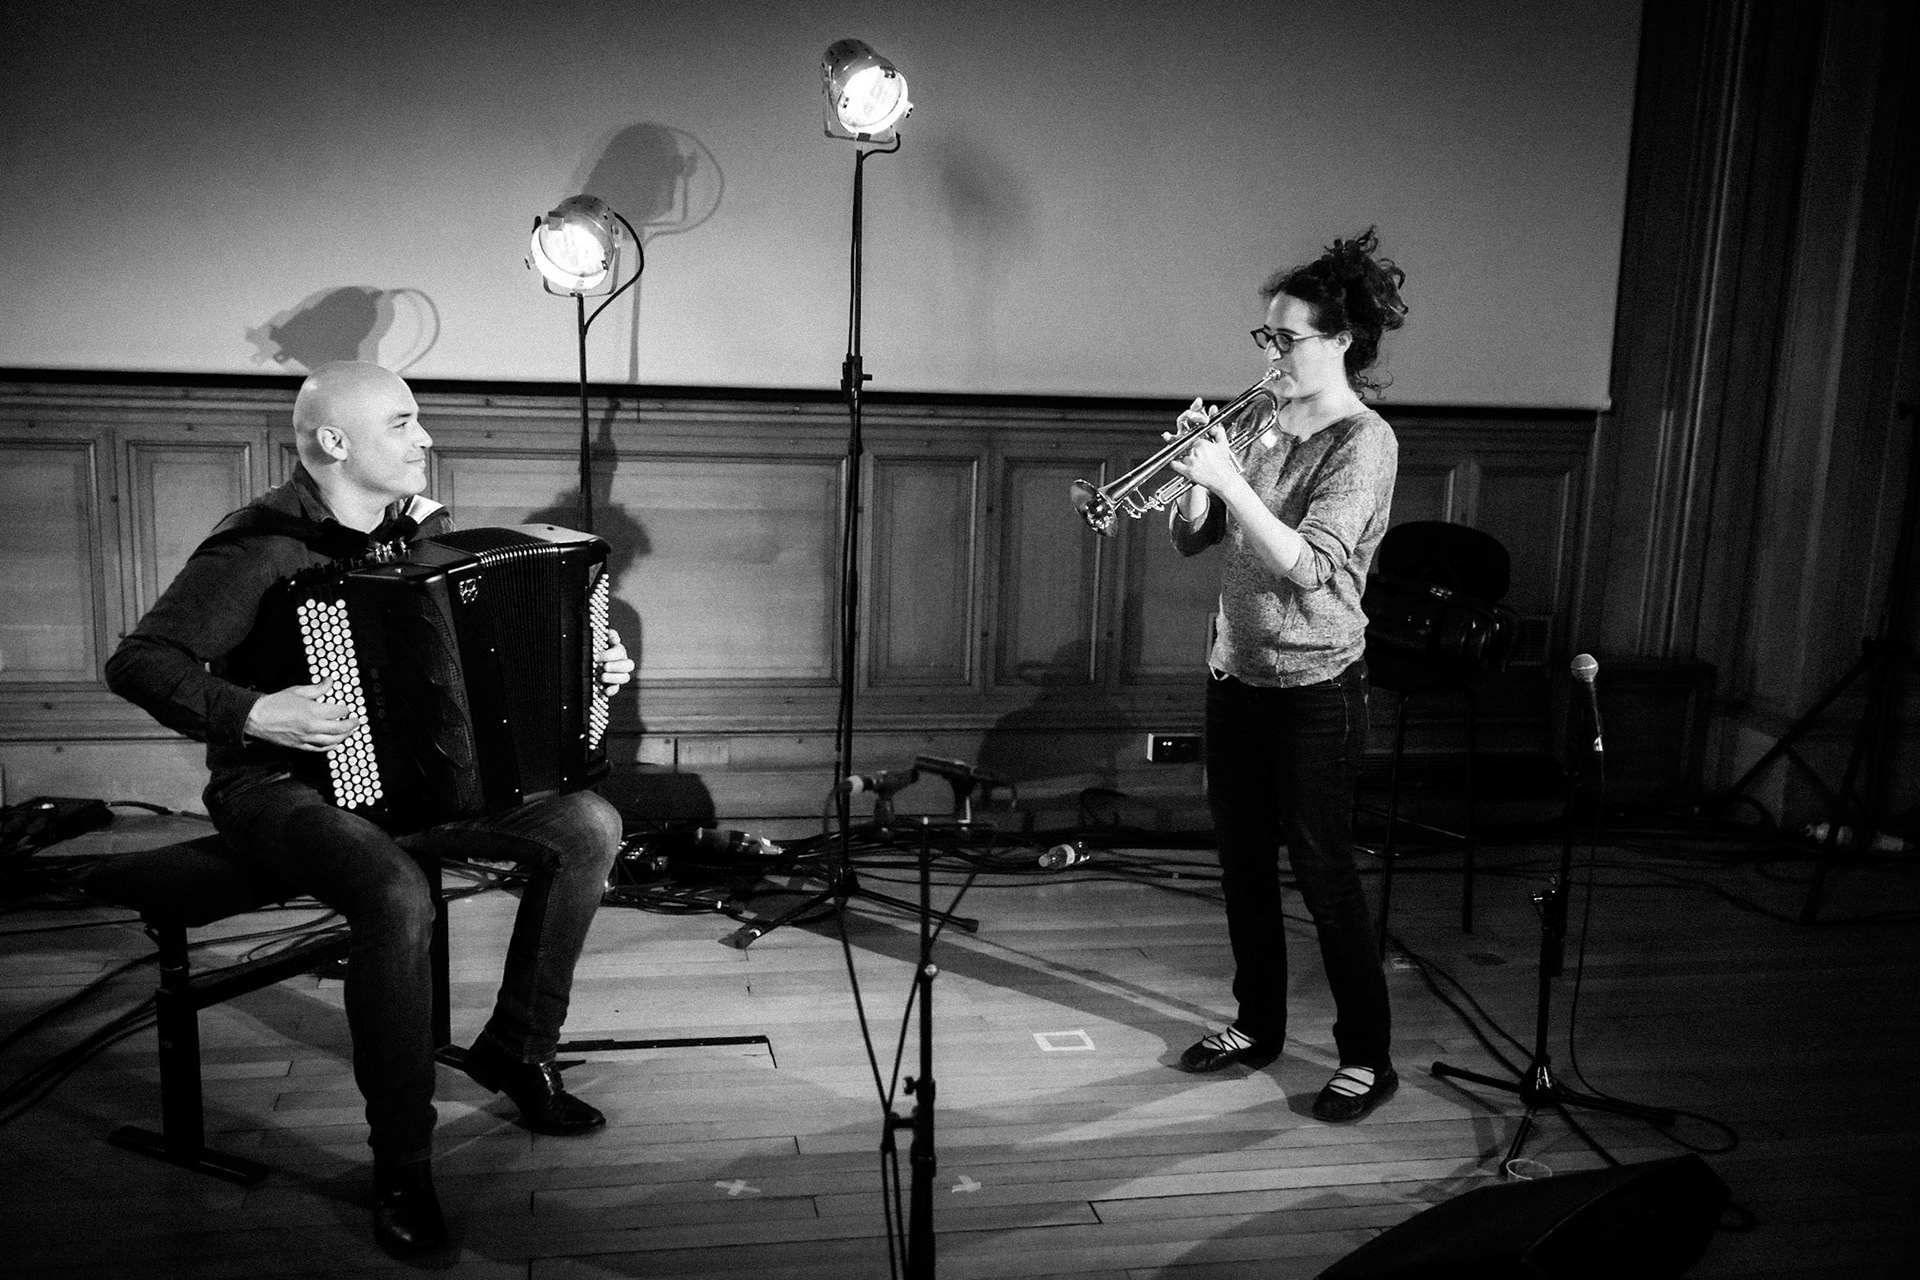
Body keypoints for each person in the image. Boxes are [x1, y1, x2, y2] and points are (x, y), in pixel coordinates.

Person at [104, 361, 633, 1256]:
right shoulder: (260, 546)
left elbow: (483, 666)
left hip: (412, 785)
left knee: (590, 826)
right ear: (334, 444)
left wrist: (594, 664)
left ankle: (518, 1047)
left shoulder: (414, 534)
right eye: (402, 422)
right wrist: (253, 710)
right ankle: (403, 1161)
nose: (425, 437)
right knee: (394, 895)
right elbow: (140, 662)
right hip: (275, 788)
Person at [1165, 229, 1407, 1123]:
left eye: (1288, 339)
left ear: (1341, 340)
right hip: (1236, 676)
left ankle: (1367, 1056)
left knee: (1325, 872)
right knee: (1240, 866)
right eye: (1265, 338)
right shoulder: (1261, 421)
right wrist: (1198, 476)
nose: (1271, 355)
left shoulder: (1363, 442)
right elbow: (1195, 538)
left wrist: (1231, 483)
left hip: (1316, 691)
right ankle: (1256, 1023)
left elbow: (1310, 567)